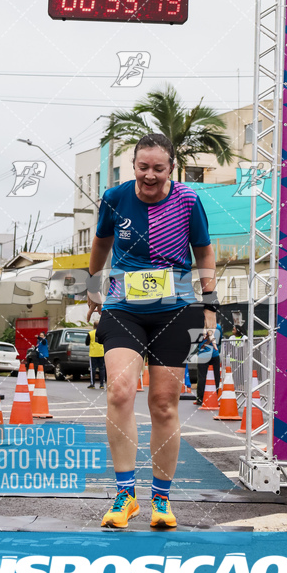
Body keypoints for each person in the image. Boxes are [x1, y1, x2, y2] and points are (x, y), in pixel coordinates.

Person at [87, 133, 218, 530]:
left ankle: (161, 500)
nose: (149, 175)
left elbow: (204, 252)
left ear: (171, 168)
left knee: (164, 403)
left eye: (158, 168)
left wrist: (209, 303)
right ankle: (125, 496)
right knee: (120, 390)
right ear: (134, 166)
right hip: (124, 308)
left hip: (174, 310)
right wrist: (92, 285)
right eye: (142, 167)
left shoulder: (188, 201)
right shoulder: (115, 198)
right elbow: (100, 244)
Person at [194, 324, 221, 406]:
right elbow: (219, 341)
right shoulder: (218, 327)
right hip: (214, 354)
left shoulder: (199, 327)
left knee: (202, 376)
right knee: (216, 376)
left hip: (203, 355)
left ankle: (200, 398)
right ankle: (215, 397)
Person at [87, 314, 106, 389]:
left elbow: (86, 343)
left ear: (93, 326)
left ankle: (92, 384)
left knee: (93, 369)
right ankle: (102, 384)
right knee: (102, 368)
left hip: (93, 353)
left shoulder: (90, 333)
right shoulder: (103, 333)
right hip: (101, 352)